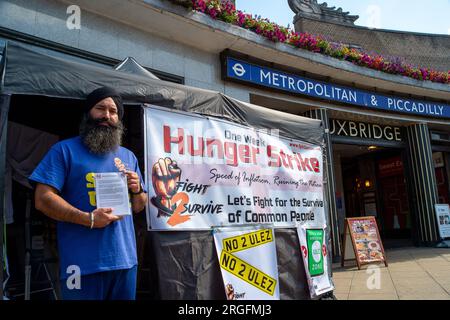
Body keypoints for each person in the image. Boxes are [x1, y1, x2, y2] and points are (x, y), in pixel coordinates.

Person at [29, 87, 148, 300]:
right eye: (100, 108)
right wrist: (89, 219)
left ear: (119, 119)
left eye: (113, 111)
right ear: (88, 113)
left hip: (125, 262)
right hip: (81, 265)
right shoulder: (64, 150)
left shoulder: (128, 156)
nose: (106, 115)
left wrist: (137, 189)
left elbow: (139, 205)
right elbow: (42, 199)